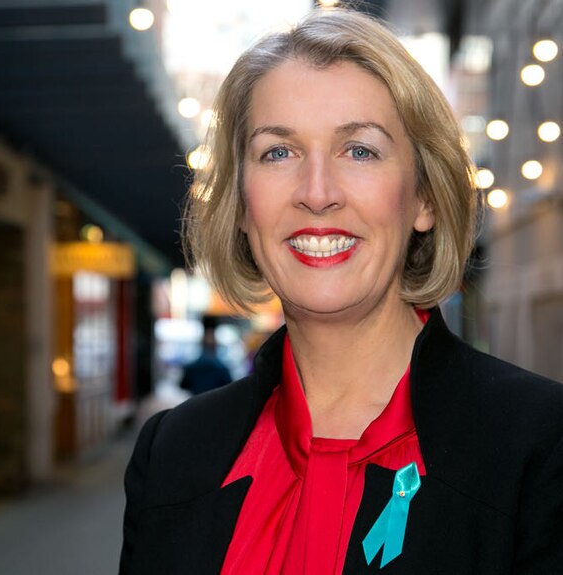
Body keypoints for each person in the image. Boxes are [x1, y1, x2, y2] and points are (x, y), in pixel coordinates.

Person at [120, 8, 563, 575]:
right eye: (278, 152)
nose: (317, 192)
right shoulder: (171, 453)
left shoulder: (539, 447)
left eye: (360, 150)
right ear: (240, 204)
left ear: (423, 198)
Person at [179, 315, 233, 395]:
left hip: (196, 403)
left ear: (202, 345)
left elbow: (183, 385)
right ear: (215, 346)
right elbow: (229, 385)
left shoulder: (192, 367)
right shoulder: (222, 368)